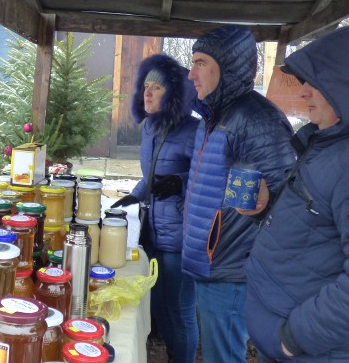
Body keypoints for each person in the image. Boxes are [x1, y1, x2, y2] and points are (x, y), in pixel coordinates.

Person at [245, 24, 349, 363]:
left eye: (317, 83)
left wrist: (293, 338)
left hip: (322, 351)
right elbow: (319, 221)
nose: (304, 93)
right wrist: (266, 208)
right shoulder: (337, 141)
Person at [181, 25, 296, 362]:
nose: (191, 74)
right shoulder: (213, 115)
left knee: (223, 356)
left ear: (228, 66)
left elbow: (290, 194)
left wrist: (267, 199)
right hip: (212, 263)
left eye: (201, 63)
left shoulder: (257, 118)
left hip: (231, 268)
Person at [111, 54, 199, 363]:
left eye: (157, 88)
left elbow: (216, 177)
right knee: (160, 304)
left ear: (174, 93)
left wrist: (179, 182)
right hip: (153, 231)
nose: (148, 93)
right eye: (146, 85)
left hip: (182, 236)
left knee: (180, 310)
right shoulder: (149, 128)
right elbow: (150, 178)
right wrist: (131, 197)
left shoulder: (194, 131)